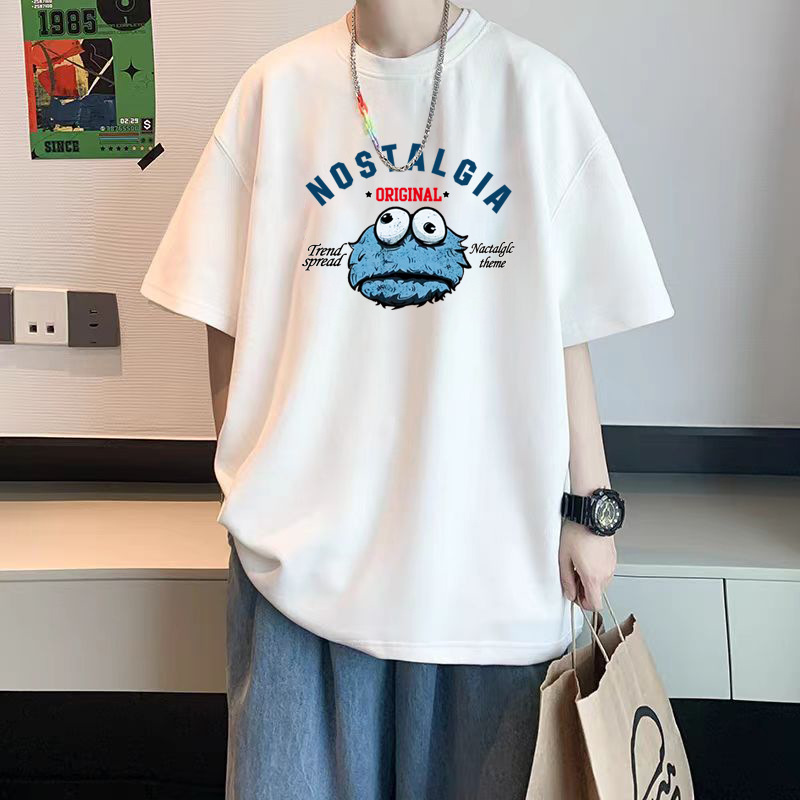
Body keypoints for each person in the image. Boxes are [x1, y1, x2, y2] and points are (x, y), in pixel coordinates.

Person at [140, 1, 674, 797]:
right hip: (301, 566)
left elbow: (567, 325)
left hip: (491, 565)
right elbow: (217, 301)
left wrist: (591, 509)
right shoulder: (277, 90)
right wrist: (248, 471)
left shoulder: (533, 89)